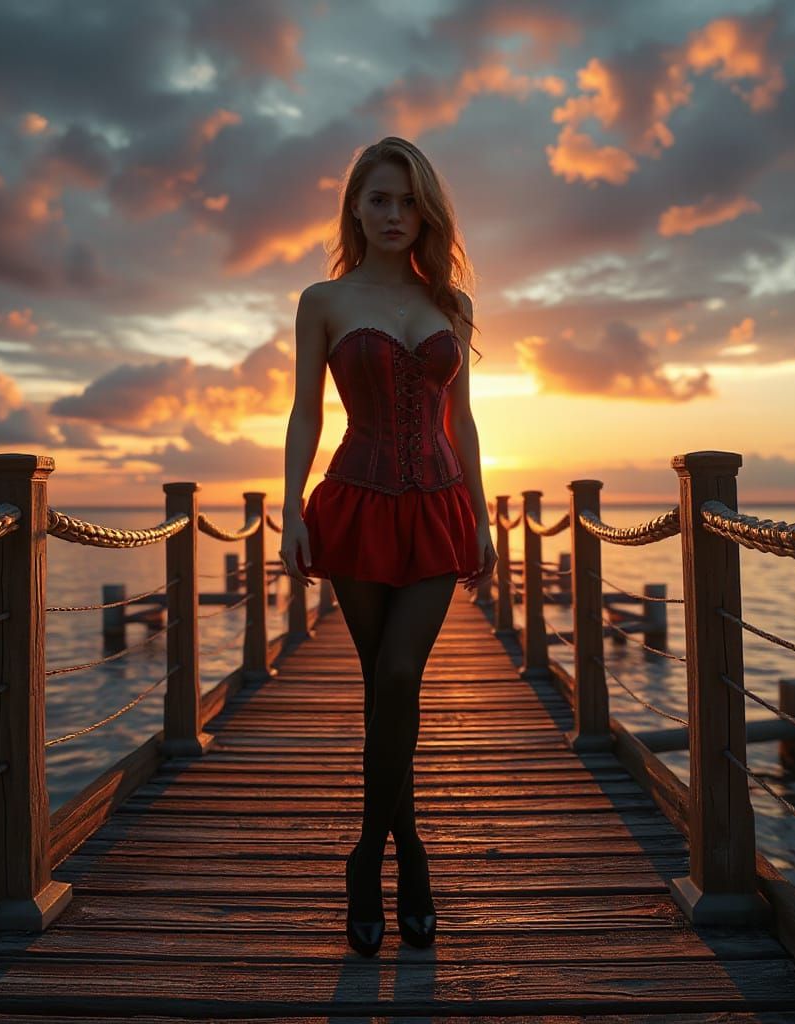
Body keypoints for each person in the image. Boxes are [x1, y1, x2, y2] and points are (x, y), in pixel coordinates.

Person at [279, 136, 496, 957]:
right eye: (381, 200)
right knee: (383, 691)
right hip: (358, 503)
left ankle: (371, 854)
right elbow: (308, 411)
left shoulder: (452, 304)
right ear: (356, 208)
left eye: (409, 201)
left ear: (427, 211)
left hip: (440, 509)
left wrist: (484, 517)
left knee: (400, 675)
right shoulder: (323, 300)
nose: (396, 215)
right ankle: (409, 854)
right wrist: (292, 508)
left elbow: (462, 421)